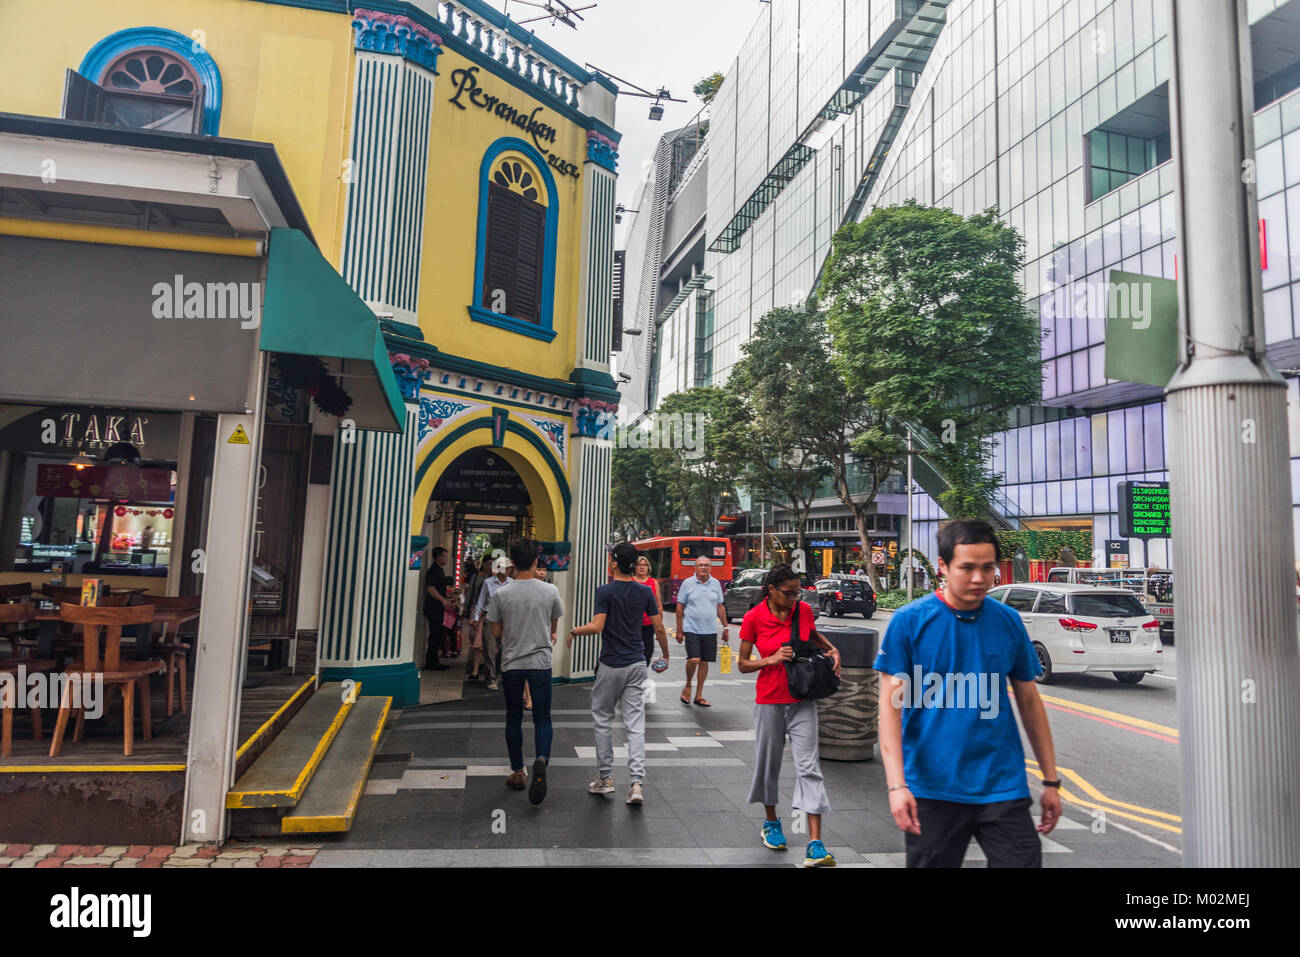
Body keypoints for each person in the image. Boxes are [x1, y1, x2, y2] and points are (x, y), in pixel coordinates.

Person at [875, 518, 1061, 868]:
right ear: (943, 566)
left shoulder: (1007, 621)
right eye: (967, 568)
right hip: (931, 789)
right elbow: (890, 711)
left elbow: (1029, 701)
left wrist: (1051, 780)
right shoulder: (909, 622)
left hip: (1001, 785)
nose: (979, 578)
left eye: (988, 568)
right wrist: (897, 786)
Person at [737, 563, 842, 867]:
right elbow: (743, 664)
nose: (796, 598)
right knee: (768, 767)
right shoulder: (753, 618)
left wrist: (833, 650)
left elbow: (813, 636)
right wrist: (770, 659)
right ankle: (771, 823)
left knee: (809, 767)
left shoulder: (803, 612)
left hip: (802, 700)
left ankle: (815, 843)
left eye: (799, 592)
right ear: (771, 590)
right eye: (790, 593)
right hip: (769, 701)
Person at [568, 541, 667, 805]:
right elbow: (658, 627)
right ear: (634, 565)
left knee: (602, 719)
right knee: (635, 724)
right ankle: (636, 784)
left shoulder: (605, 591)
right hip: (636, 663)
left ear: (614, 563)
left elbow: (597, 626)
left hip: (611, 663)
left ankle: (606, 778)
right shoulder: (644, 592)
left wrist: (575, 631)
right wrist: (665, 654)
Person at [485, 539, 563, 806]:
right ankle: (542, 757)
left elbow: (495, 631)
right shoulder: (550, 590)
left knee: (513, 717)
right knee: (542, 718)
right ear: (534, 562)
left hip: (512, 664)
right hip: (541, 662)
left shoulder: (501, 594)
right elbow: (553, 626)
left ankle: (517, 771)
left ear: (513, 563)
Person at [674, 554, 727, 705]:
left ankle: (699, 695)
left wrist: (726, 626)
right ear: (695, 567)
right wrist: (679, 630)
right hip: (691, 629)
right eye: (700, 565)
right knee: (694, 660)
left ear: (710, 568)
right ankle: (688, 685)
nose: (703, 568)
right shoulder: (687, 583)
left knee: (704, 663)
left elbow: (720, 606)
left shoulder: (715, 583)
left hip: (710, 630)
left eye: (706, 565)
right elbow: (679, 606)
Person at [474, 555, 513, 691]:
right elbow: (480, 601)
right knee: (489, 649)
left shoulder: (512, 583)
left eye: (508, 568)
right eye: (503, 568)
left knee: (505, 649)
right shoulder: (488, 582)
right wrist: (475, 617)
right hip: (490, 618)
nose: (506, 571)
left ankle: (502, 674)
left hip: (506, 621)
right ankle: (491, 678)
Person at [634, 555, 669, 665]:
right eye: (639, 564)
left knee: (647, 653)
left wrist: (659, 626)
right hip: (633, 624)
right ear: (635, 567)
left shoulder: (653, 583)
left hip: (649, 624)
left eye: (645, 565)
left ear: (648, 568)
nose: (642, 567)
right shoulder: (630, 582)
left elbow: (659, 606)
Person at [422, 546, 453, 671]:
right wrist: (443, 600)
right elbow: (431, 588)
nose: (446, 558)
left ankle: (435, 660)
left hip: (438, 607)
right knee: (435, 634)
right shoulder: (433, 571)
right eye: (444, 556)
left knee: (438, 633)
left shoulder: (440, 570)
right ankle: (431, 662)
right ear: (438, 557)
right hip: (433, 607)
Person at [463, 556, 493, 682]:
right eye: (487, 564)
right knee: (473, 636)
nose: (489, 566)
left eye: (492, 564)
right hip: (476, 609)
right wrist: (466, 607)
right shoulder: (477, 577)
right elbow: (471, 593)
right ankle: (481, 666)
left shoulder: (493, 580)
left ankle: (478, 669)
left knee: (480, 641)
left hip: (487, 614)